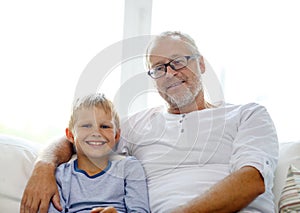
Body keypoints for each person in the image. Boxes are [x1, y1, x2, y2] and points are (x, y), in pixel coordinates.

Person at [21, 31, 279, 213]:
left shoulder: (248, 114)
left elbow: (252, 179)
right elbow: (82, 139)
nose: (169, 74)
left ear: (201, 64)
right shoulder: (136, 126)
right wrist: (44, 166)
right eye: (158, 68)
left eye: (178, 62)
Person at [47, 93, 150, 213]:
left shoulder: (129, 168)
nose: (96, 132)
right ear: (70, 135)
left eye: (105, 126)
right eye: (86, 125)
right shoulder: (61, 175)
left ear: (116, 135)